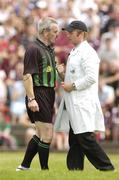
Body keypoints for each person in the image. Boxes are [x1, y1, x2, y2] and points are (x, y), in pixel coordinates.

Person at [55, 20, 115, 171]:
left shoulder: (88, 53)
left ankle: (107, 168)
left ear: (80, 34)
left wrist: (73, 86)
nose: (67, 35)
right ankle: (75, 170)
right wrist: (62, 75)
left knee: (85, 139)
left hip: (82, 103)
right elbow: (71, 79)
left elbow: (91, 78)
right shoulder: (74, 52)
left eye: (70, 32)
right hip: (73, 103)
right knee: (75, 139)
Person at [16, 17, 59, 171]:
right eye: (54, 32)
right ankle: (44, 170)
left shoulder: (49, 49)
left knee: (41, 133)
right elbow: (27, 75)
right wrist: (32, 99)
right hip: (38, 92)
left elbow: (45, 71)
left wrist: (57, 71)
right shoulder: (33, 49)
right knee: (47, 133)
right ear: (44, 32)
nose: (57, 35)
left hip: (48, 94)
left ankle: (24, 166)